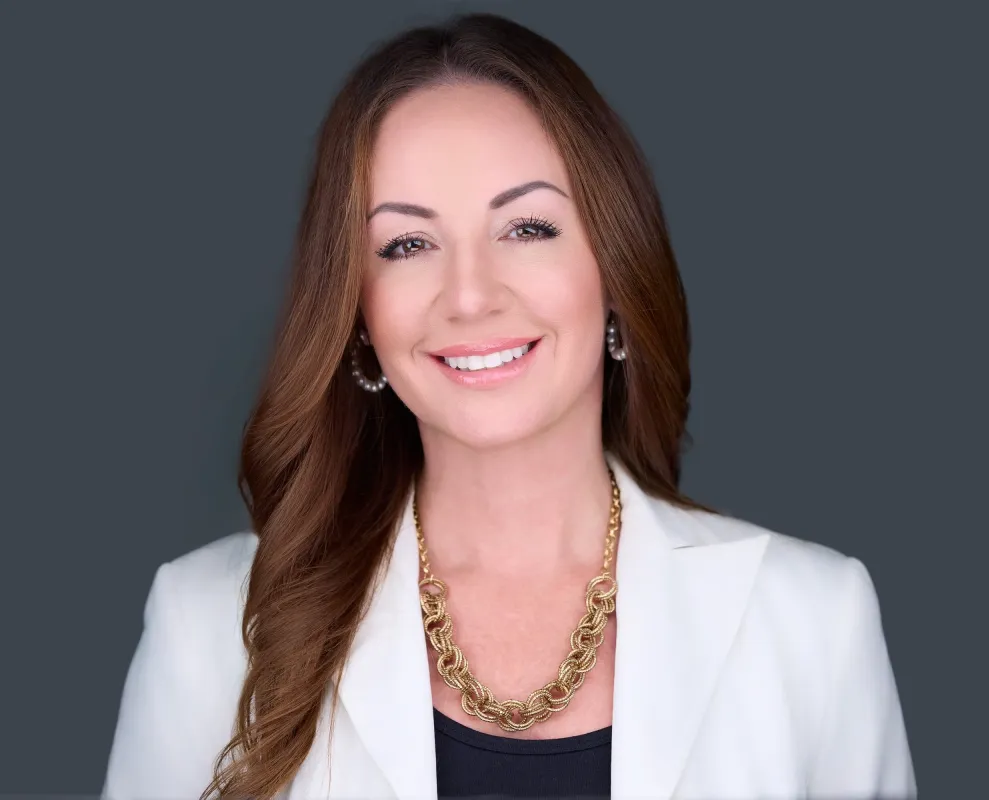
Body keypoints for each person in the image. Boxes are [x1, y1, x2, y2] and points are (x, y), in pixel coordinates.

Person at [101, 12, 916, 800]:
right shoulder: (208, 626)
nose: (469, 295)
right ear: (357, 315)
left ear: (616, 272)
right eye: (407, 244)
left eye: (527, 228)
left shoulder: (813, 621)